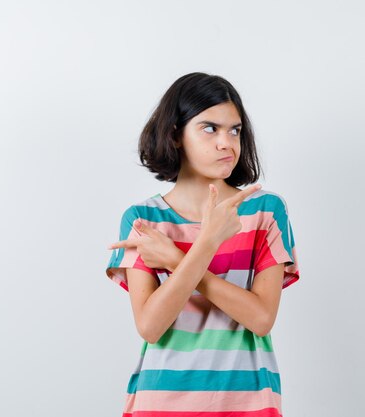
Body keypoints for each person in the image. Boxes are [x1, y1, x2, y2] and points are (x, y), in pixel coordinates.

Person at [104, 72, 300, 417]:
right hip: (160, 401)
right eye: (210, 128)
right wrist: (207, 242)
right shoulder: (143, 219)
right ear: (175, 135)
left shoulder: (265, 211)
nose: (227, 143)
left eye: (235, 130)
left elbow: (260, 318)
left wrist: (178, 260)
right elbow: (150, 326)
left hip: (247, 401)